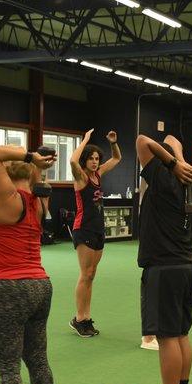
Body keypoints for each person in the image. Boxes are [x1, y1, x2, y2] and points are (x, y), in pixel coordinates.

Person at [0, 144, 56, 384]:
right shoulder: (39, 202)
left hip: (8, 289)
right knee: (38, 361)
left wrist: (29, 156)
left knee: (9, 370)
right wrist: (37, 163)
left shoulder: (8, 200)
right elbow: (35, 176)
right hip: (40, 287)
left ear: (6, 173)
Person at [136, 133, 192, 384]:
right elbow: (172, 139)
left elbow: (141, 141)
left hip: (165, 268)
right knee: (181, 334)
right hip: (187, 266)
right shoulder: (189, 177)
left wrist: (171, 162)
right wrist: (178, 158)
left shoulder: (164, 176)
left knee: (167, 338)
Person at [69, 128, 122, 337]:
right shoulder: (81, 177)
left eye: (97, 158)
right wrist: (85, 140)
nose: (95, 161)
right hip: (83, 229)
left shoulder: (99, 174)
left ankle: (86, 317)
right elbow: (73, 161)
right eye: (91, 158)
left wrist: (113, 143)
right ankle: (79, 318)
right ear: (85, 159)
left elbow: (117, 158)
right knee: (85, 274)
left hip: (98, 229)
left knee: (91, 275)